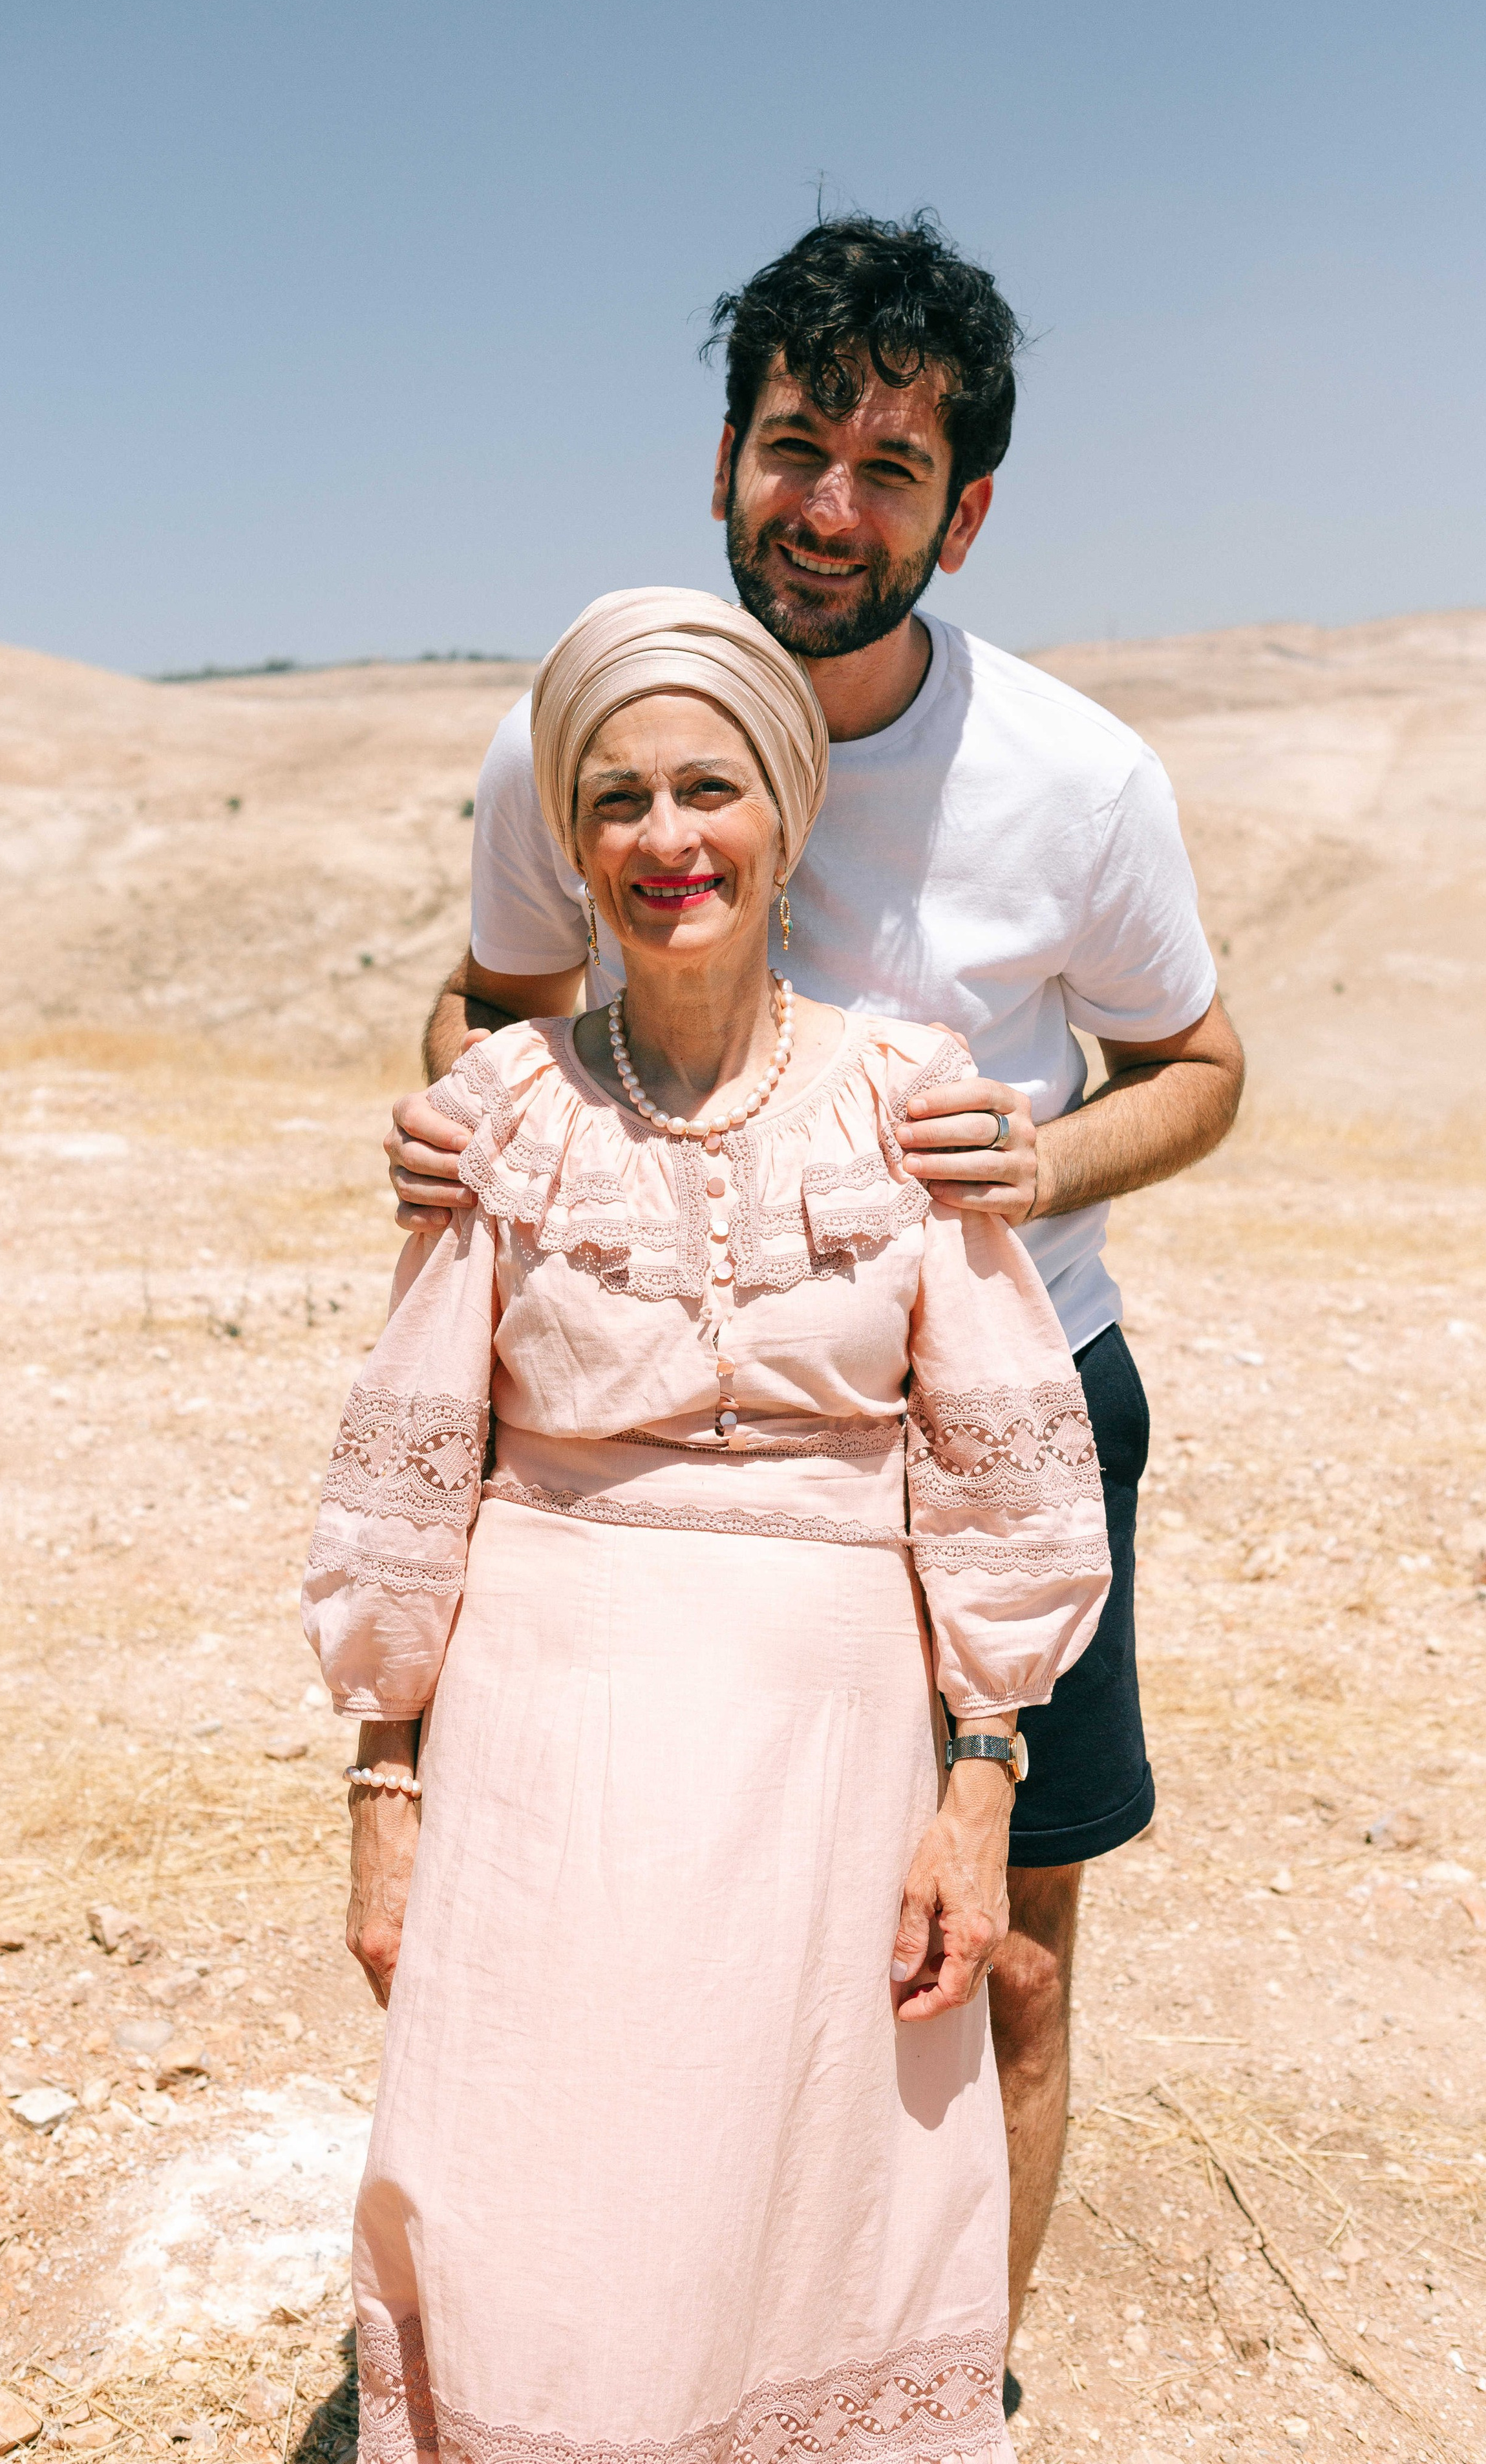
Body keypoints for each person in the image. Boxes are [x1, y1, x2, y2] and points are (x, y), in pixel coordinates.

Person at [383, 216, 1246, 2393]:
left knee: (994, 1973)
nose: (829, 504)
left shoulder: (1077, 777)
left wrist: (1042, 1163)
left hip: (1005, 1408)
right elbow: (483, 1017)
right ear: (722, 465)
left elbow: (1206, 1067)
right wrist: (458, 1137)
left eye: (888, 464)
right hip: (667, 1470)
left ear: (967, 508)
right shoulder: (578, 734)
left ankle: (939, 2397)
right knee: (655, 1963)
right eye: (794, 446)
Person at [306, 586, 1111, 2462]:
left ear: (786, 813)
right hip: (542, 1761)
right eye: (617, 801)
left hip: (830, 1764)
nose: (669, 840)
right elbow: (418, 1472)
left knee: (809, 2205)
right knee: (544, 2208)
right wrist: (382, 1801)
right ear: (573, 849)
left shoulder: (912, 1103)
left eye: (709, 789)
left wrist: (977, 1788)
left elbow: (991, 1483)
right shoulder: (495, 1114)